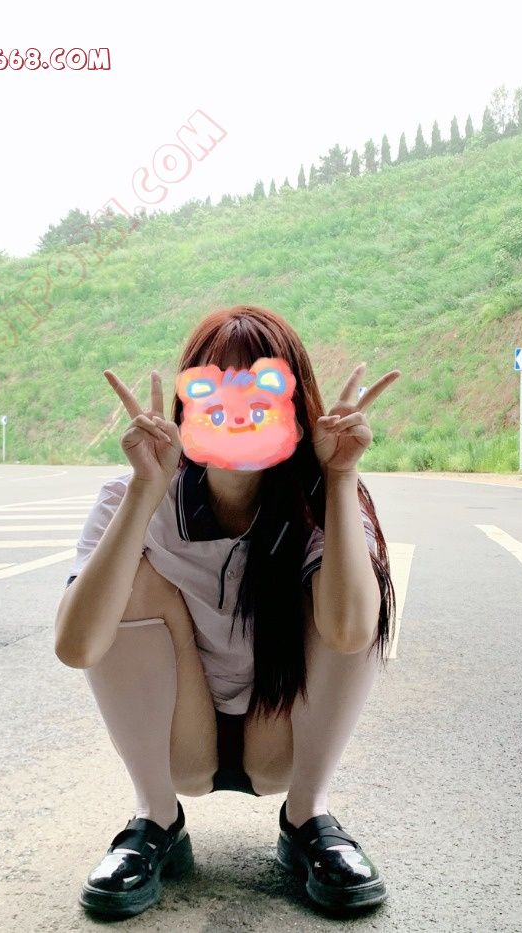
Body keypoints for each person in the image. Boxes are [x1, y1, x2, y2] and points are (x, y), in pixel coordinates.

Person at [54, 304, 399, 918]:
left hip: (280, 738)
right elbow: (77, 646)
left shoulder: (324, 499)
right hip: (180, 740)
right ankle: (155, 818)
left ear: (296, 409)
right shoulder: (133, 493)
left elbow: (350, 631)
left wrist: (342, 477)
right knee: (130, 575)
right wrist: (144, 490)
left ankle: (308, 817)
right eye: (216, 389)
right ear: (188, 406)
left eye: (262, 391)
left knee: (350, 585)